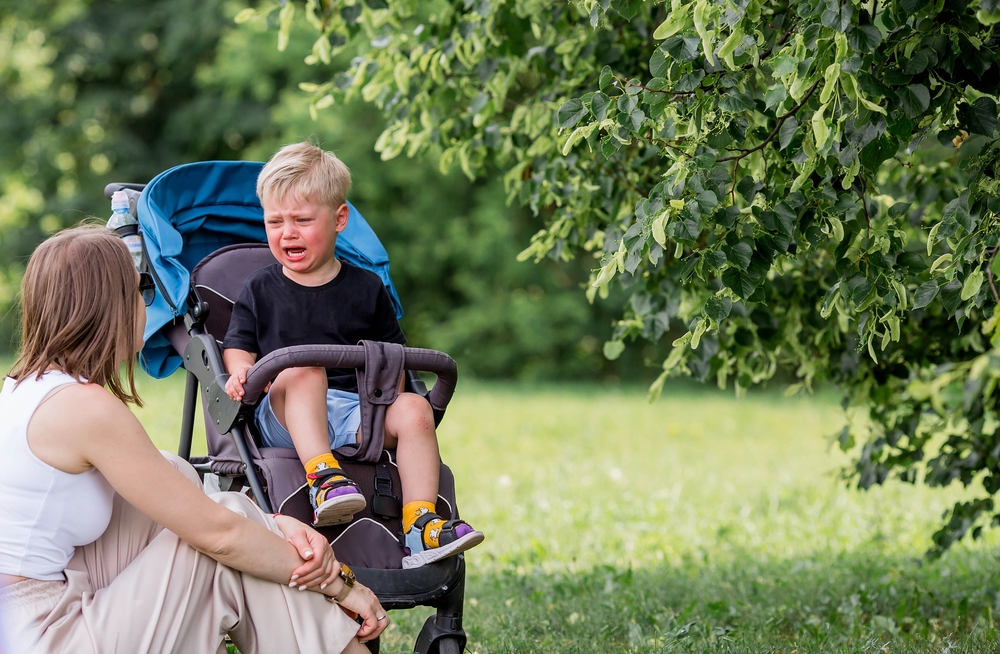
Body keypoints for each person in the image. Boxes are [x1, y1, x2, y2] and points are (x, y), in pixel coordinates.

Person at [0, 225, 388, 654]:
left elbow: (204, 515)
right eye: (139, 293)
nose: (144, 309)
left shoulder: (25, 389)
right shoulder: (84, 409)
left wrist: (274, 526)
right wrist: (341, 584)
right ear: (109, 307)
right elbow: (217, 534)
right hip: (43, 634)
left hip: (41, 606)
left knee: (181, 476)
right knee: (219, 547)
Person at [223, 142, 484, 569]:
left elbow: (391, 360)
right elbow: (238, 344)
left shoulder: (366, 289)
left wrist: (391, 407)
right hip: (287, 413)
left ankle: (420, 524)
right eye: (275, 222)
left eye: (302, 221)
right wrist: (241, 372)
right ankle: (323, 477)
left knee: (415, 407)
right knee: (302, 366)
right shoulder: (260, 288)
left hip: (355, 412)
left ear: (339, 218)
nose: (287, 232)